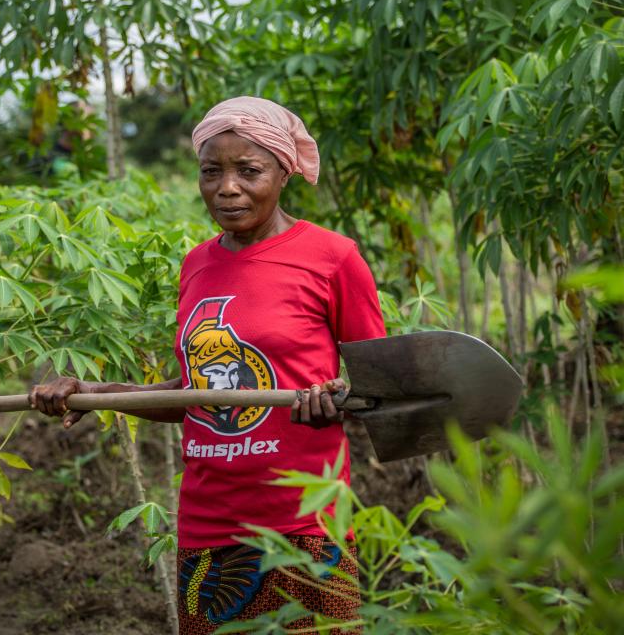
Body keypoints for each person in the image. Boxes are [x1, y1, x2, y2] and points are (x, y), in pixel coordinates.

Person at [29, 96, 386, 634]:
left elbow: (380, 387)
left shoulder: (332, 258)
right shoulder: (198, 264)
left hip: (303, 520)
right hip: (209, 524)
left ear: (283, 172)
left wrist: (335, 404)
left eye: (249, 171)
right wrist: (89, 390)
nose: (227, 188)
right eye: (211, 171)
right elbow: (194, 395)